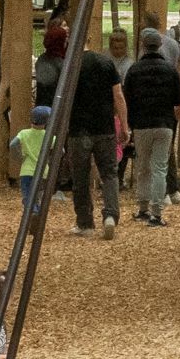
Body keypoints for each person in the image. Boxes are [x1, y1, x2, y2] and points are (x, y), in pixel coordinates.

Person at [54, 22, 123, 239]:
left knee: (80, 177)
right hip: (104, 127)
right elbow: (118, 96)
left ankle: (85, 223)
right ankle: (110, 215)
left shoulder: (68, 66)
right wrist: (124, 125)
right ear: (89, 39)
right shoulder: (106, 63)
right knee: (109, 174)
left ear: (70, 41)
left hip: (78, 129)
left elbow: (62, 100)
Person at [123, 27, 180, 221]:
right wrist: (176, 116)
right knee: (160, 168)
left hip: (141, 124)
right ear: (159, 46)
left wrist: (128, 124)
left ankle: (143, 208)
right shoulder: (170, 70)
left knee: (143, 167)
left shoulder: (134, 70)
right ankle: (157, 212)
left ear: (143, 45)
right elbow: (179, 100)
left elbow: (127, 98)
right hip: (164, 123)